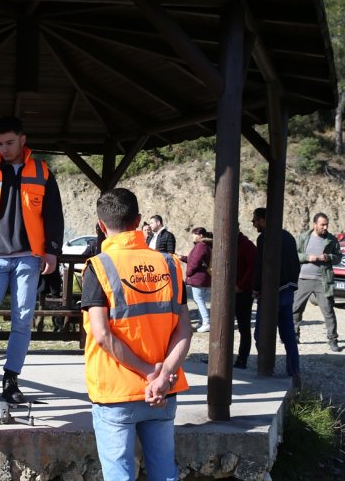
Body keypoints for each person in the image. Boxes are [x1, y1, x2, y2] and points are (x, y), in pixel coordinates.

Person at [81, 188, 192, 481]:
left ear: (101, 225)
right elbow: (184, 328)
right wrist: (164, 372)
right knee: (165, 471)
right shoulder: (171, 264)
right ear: (139, 219)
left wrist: (147, 373)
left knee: (120, 475)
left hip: (116, 391)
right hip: (163, 391)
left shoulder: (98, 267)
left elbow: (102, 335)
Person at [0, 116, 64, 403]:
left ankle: (11, 380)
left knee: (22, 321)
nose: (4, 148)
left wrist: (52, 251)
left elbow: (53, 215)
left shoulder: (42, 171)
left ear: (23, 140)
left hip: (29, 259)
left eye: (9, 142)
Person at [251, 207, 301, 386]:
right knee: (288, 335)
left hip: (272, 293)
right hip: (288, 291)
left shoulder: (265, 237)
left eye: (255, 220)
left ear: (264, 220)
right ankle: (294, 373)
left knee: (260, 334)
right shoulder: (288, 236)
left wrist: (256, 287)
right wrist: (292, 284)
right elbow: (296, 263)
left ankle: (266, 368)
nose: (254, 223)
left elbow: (261, 265)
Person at [292, 213, 342, 352]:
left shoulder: (331, 240)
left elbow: (339, 257)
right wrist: (308, 257)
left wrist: (328, 257)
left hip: (322, 281)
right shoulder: (303, 237)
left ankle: (333, 340)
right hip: (303, 279)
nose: (325, 227)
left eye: (326, 225)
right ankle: (294, 335)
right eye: (322, 225)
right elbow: (294, 254)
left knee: (328, 311)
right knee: (296, 309)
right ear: (315, 225)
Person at [177, 227, 212, 332]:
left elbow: (194, 262)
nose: (193, 236)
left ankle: (206, 322)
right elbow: (193, 260)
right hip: (202, 277)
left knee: (199, 300)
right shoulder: (204, 245)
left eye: (194, 234)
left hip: (198, 278)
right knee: (200, 300)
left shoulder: (200, 246)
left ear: (200, 235)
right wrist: (182, 258)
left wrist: (188, 273)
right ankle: (202, 322)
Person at [233, 230, 257, 369]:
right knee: (221, 326)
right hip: (229, 292)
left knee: (243, 327)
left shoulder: (246, 245)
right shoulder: (229, 244)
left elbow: (252, 268)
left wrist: (241, 286)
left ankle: (242, 359)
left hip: (242, 293)